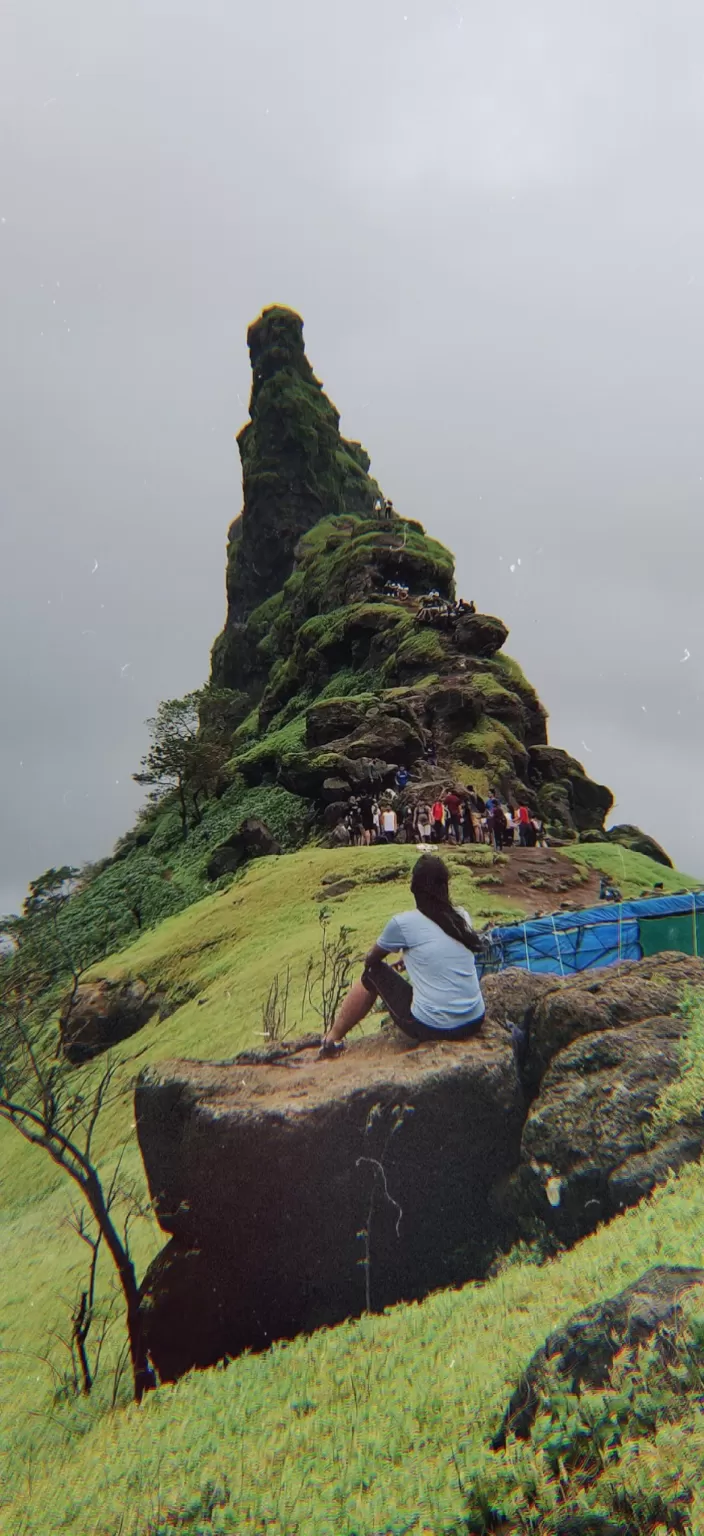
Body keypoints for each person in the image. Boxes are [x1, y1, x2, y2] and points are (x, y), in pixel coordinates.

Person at [319, 855, 486, 1054]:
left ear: (414, 888)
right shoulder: (461, 916)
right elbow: (440, 950)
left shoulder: (404, 924)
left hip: (434, 1026)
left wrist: (402, 952)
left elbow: (371, 960)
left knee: (372, 972)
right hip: (475, 1020)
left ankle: (332, 1038)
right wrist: (410, 958)